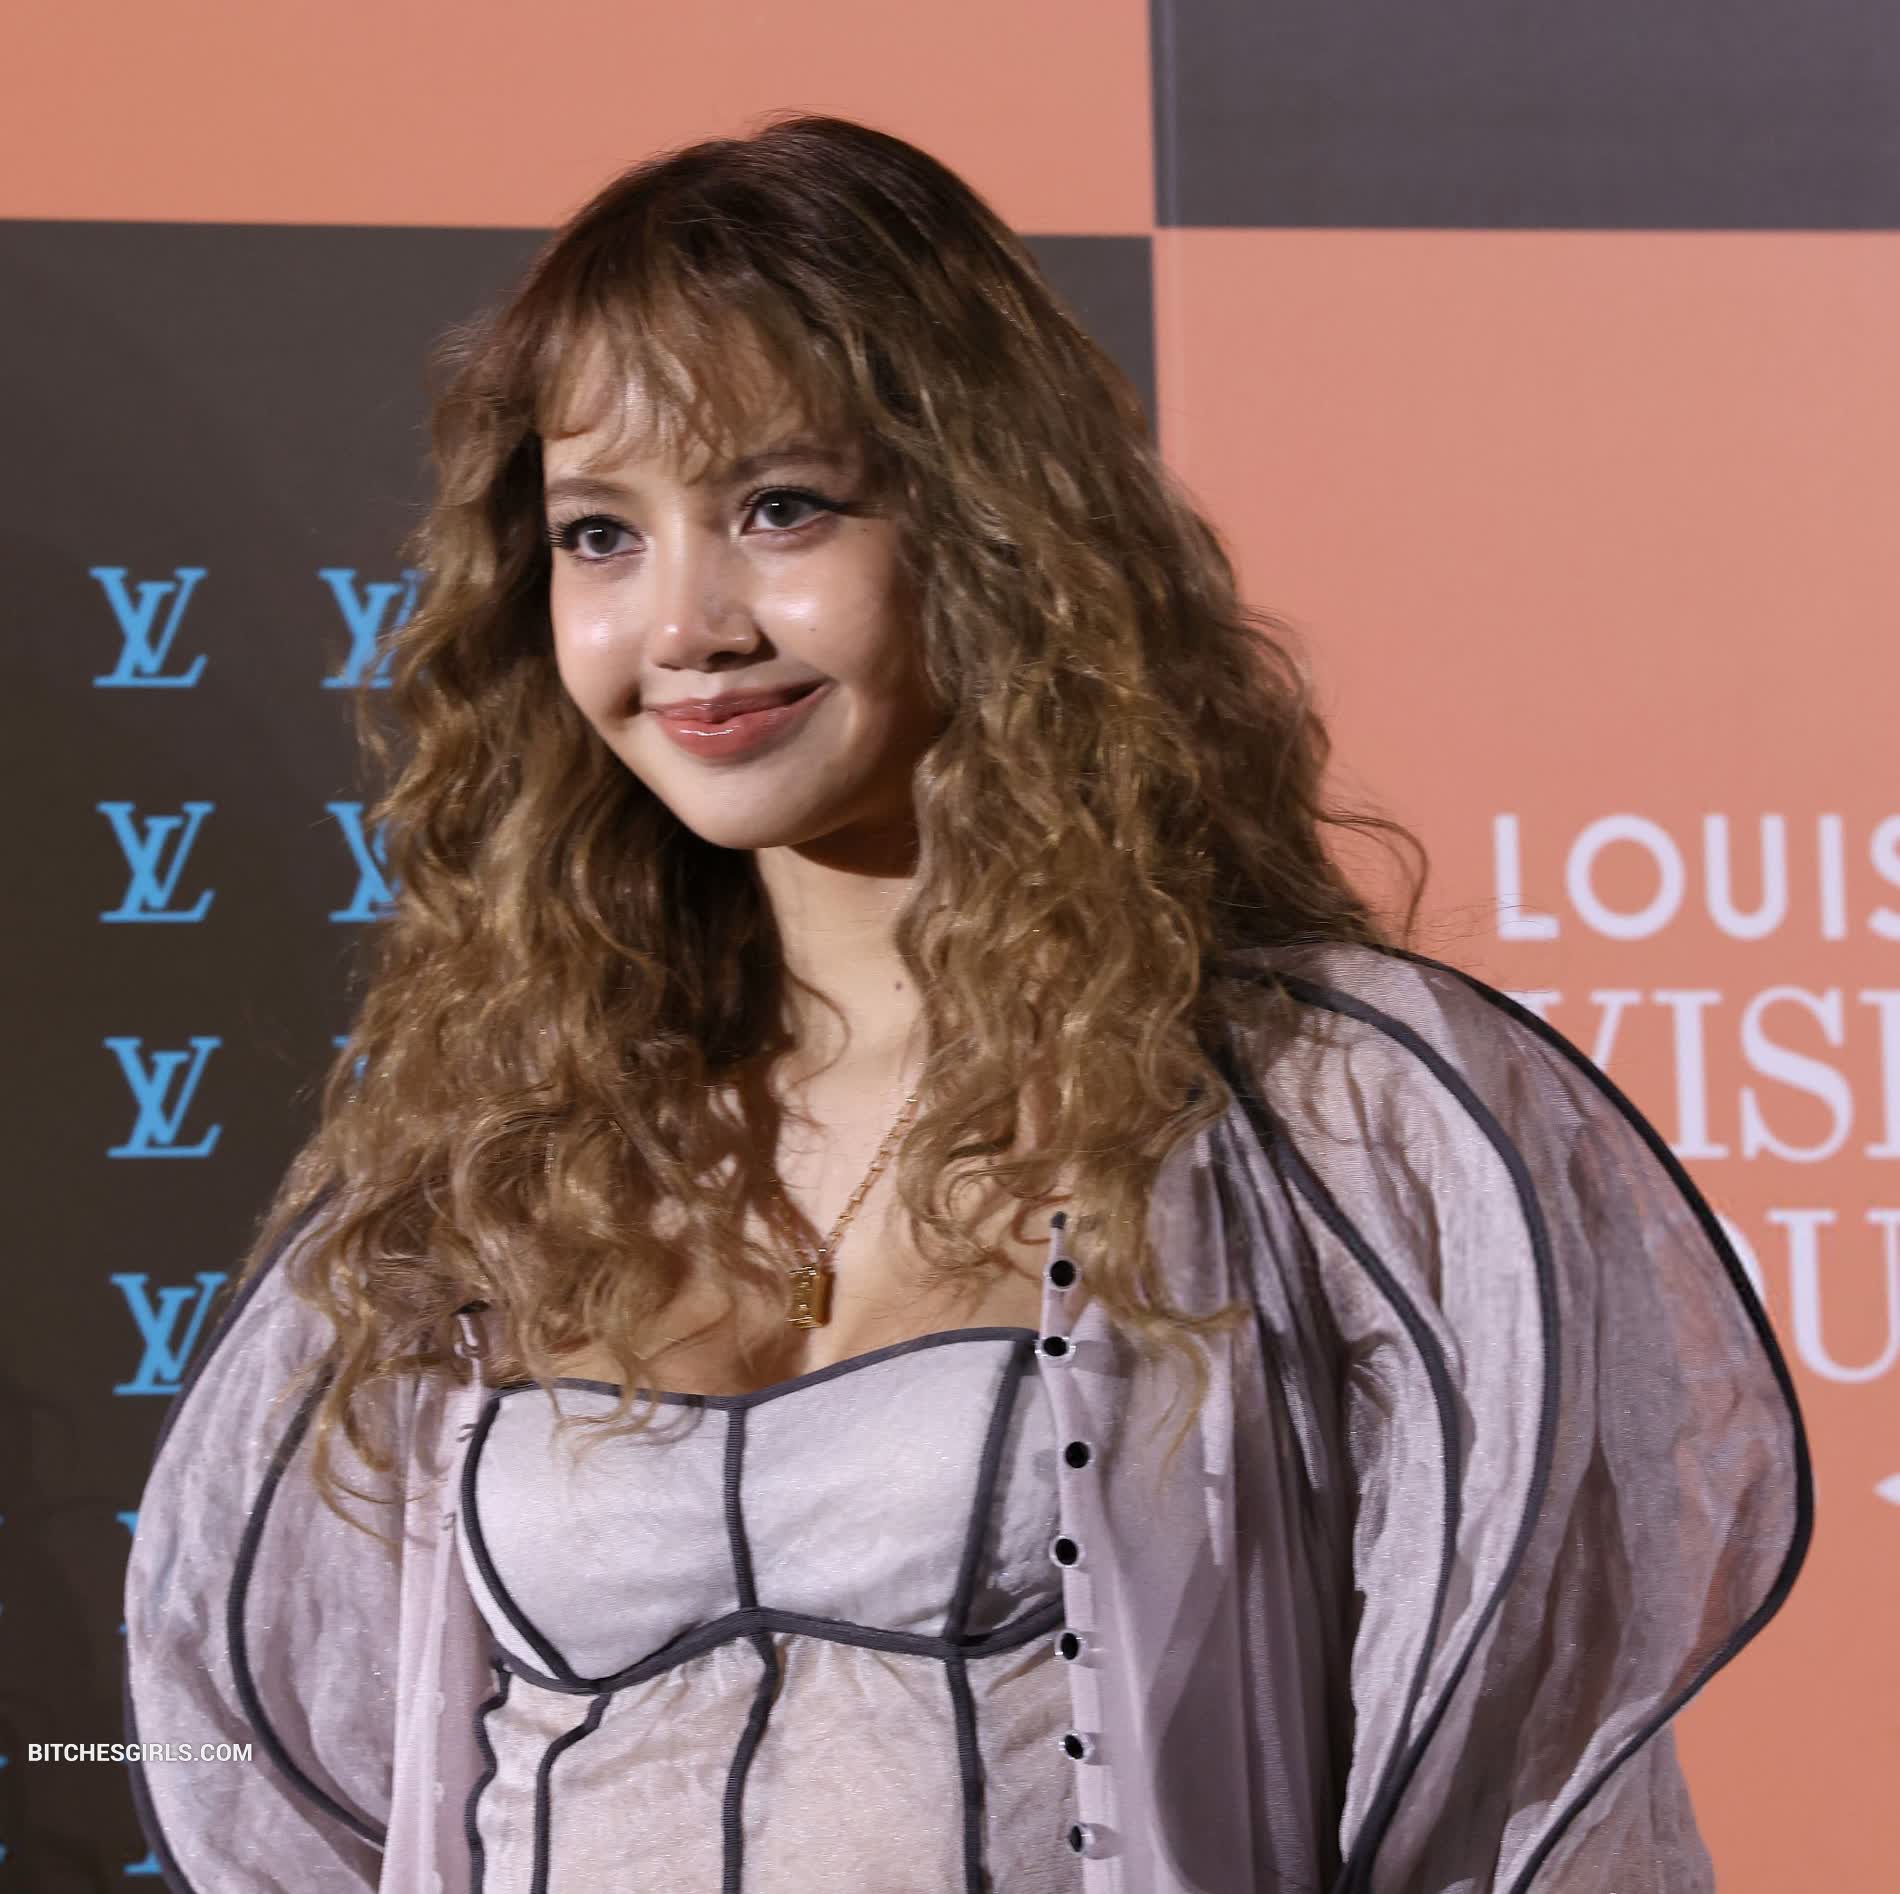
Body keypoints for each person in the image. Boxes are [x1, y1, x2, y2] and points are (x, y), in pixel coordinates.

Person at [122, 113, 1809, 1893]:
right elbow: (263, 1753)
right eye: (600, 534)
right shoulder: (485, 1165)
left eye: (780, 508)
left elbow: (1525, 1789)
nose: (685, 623)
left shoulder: (1328, 1113)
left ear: (995, 525)